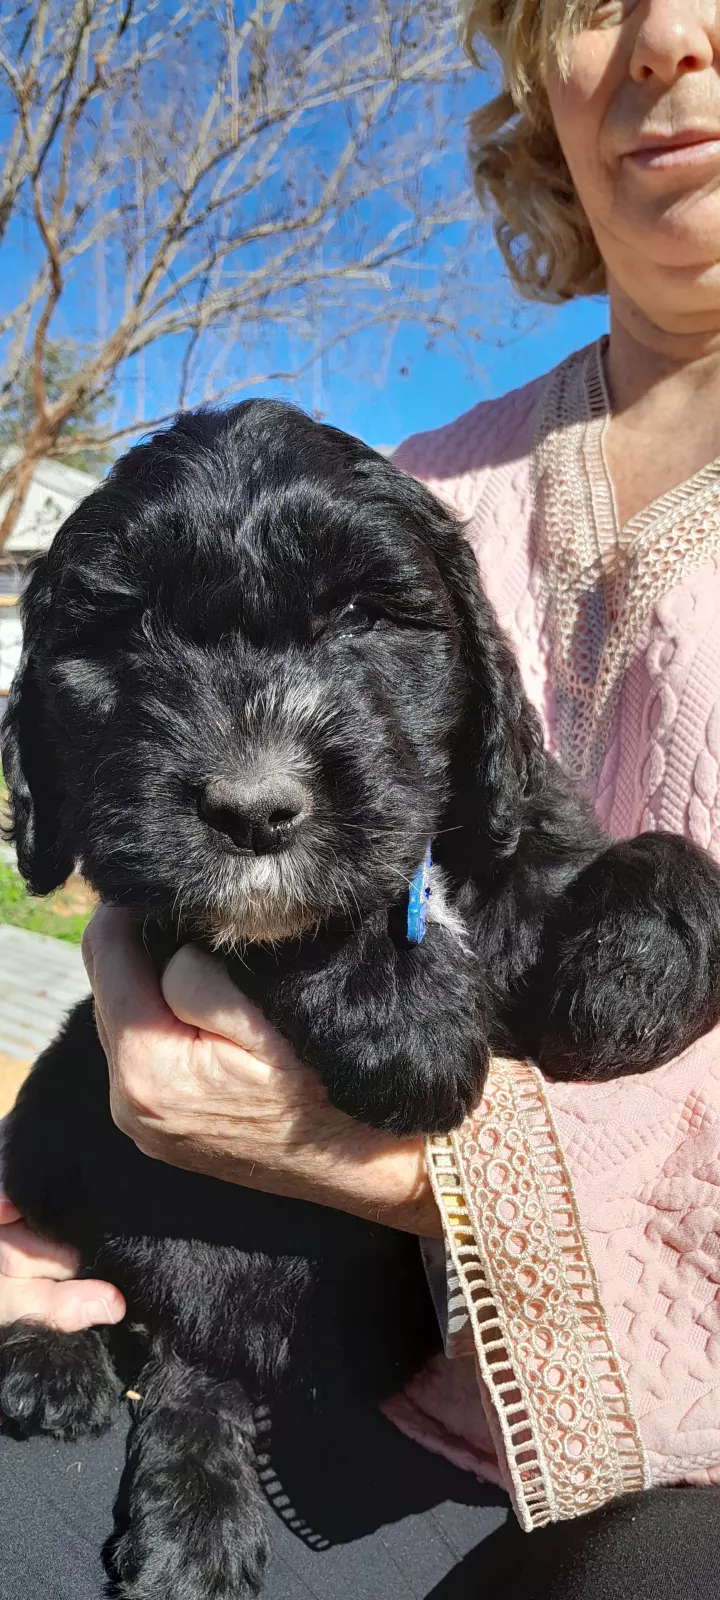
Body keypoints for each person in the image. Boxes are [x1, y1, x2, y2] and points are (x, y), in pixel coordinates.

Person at [4, 0, 720, 1593]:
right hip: (253, 1323)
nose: (669, 34)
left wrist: (408, 1157)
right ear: (536, 73)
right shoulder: (423, 473)